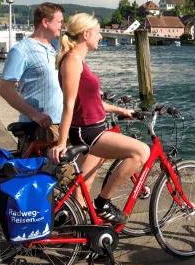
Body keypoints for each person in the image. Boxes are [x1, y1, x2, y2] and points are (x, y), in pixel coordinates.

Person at [48, 13, 150, 224]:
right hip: (88, 133)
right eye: (97, 32)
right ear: (86, 34)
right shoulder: (73, 61)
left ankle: (84, 229)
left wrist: (119, 110)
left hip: (93, 129)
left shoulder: (78, 61)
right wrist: (60, 143)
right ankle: (103, 204)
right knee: (141, 152)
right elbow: (68, 105)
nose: (101, 36)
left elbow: (91, 102)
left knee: (83, 183)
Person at [0, 3, 65, 154]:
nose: (63, 25)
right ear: (45, 22)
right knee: (41, 175)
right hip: (39, 127)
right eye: (60, 21)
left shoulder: (57, 47)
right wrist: (34, 114)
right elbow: (5, 89)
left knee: (66, 175)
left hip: (63, 123)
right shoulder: (21, 50)